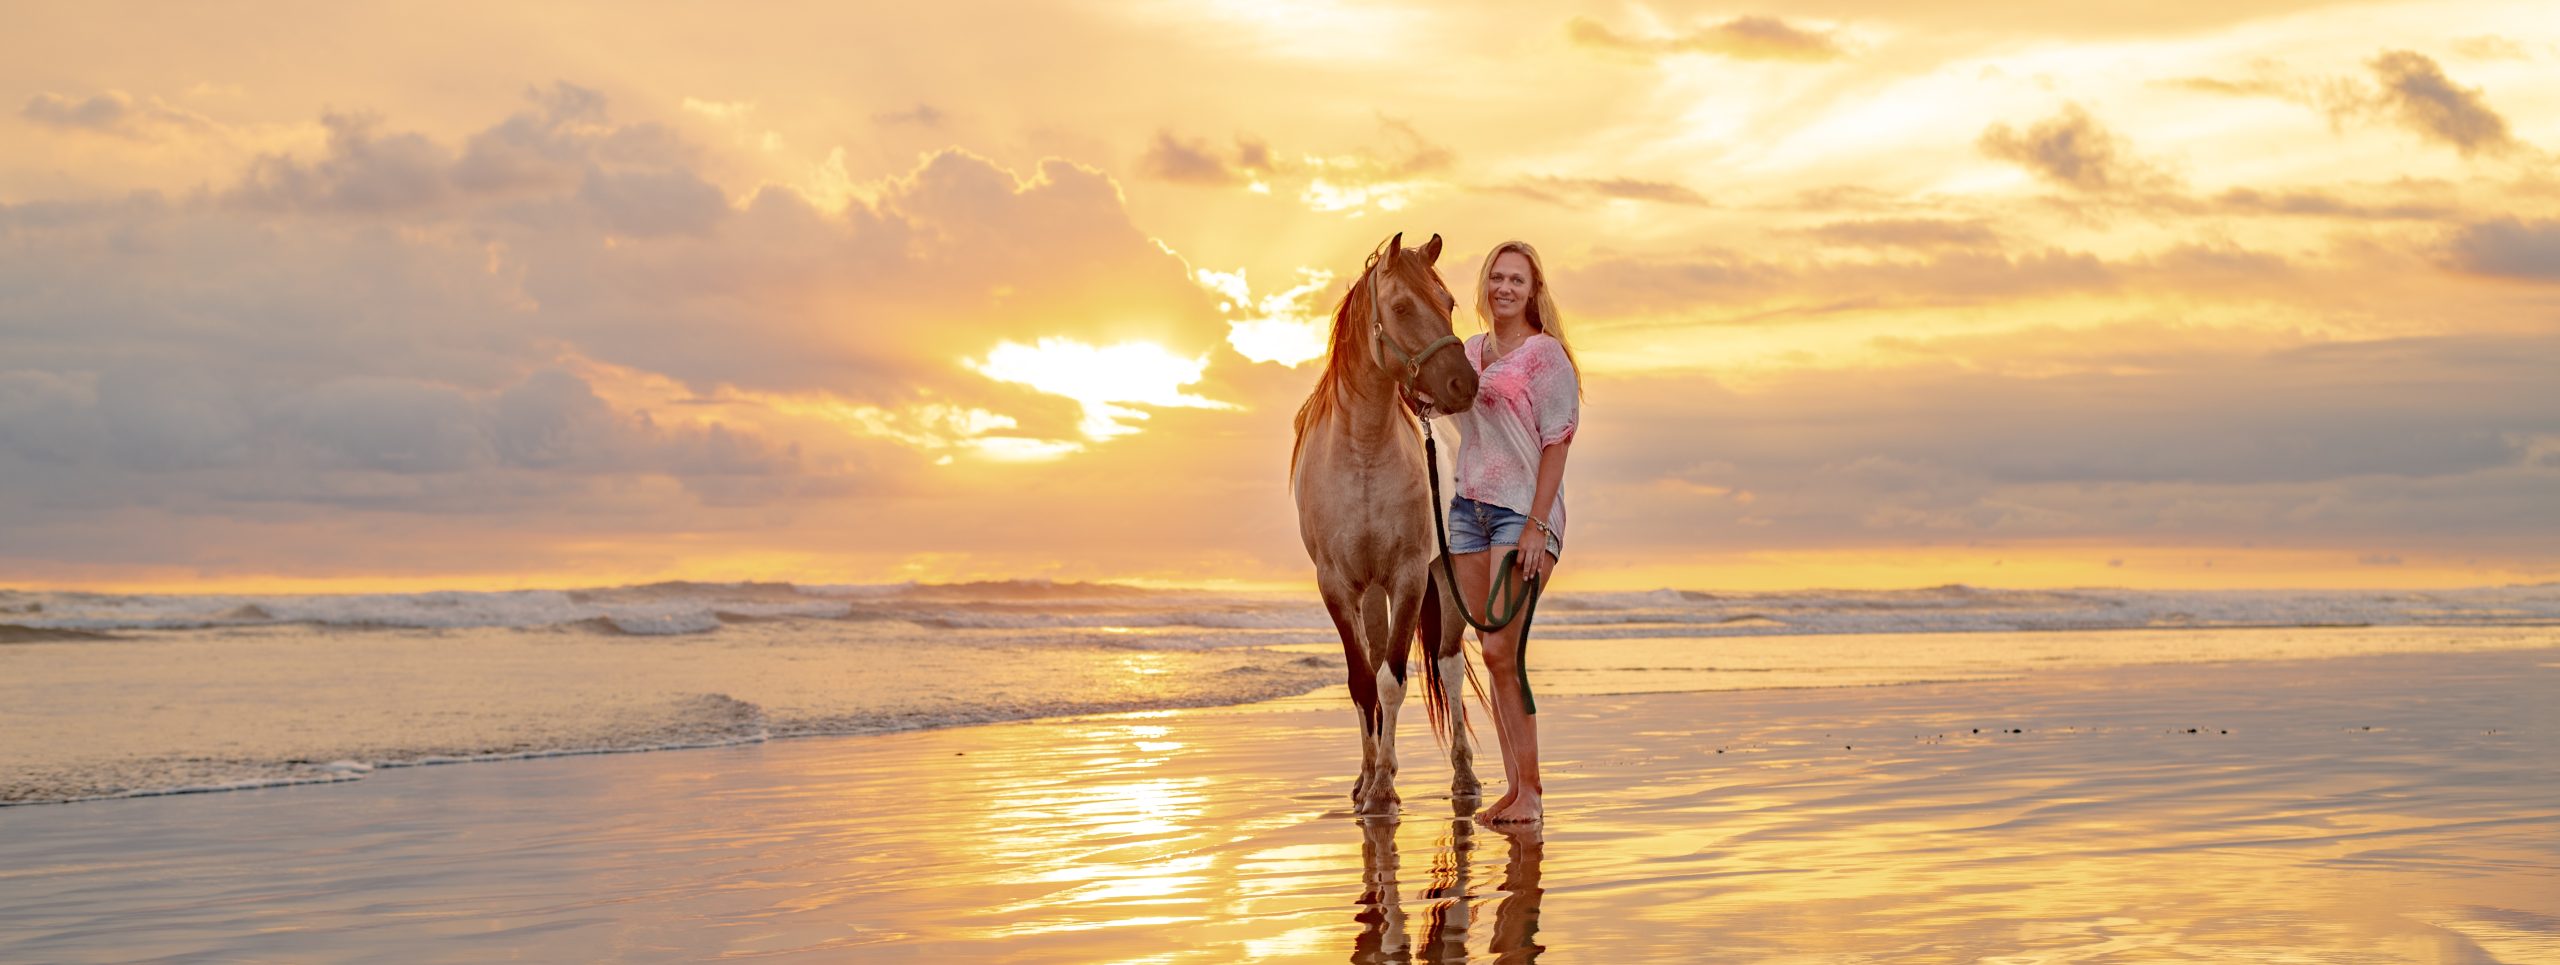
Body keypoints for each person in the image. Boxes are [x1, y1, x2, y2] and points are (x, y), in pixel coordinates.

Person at [1448, 240, 1581, 825]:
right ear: (1484, 286)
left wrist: (1534, 523)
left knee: (1504, 649)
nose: (1505, 288)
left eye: (1517, 281)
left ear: (1533, 292)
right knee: (1491, 652)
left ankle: (1531, 793)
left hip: (1521, 514)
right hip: (1467, 511)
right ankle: (1514, 790)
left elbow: (1558, 441)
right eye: (1497, 278)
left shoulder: (1545, 355)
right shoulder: (1470, 351)